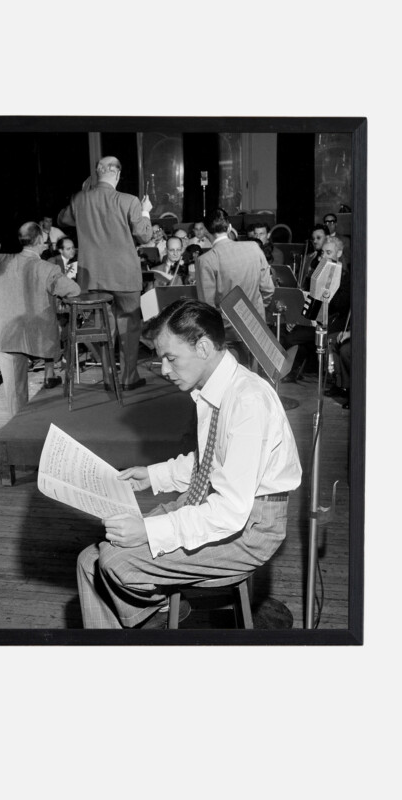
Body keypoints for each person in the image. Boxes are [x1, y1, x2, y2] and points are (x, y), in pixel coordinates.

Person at [76, 299, 302, 629]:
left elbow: (229, 512)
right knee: (89, 561)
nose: (164, 369)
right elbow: (209, 460)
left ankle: (158, 628)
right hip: (210, 502)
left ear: (204, 347)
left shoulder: (248, 401)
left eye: (171, 358)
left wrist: (149, 530)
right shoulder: (214, 388)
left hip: (251, 528)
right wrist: (152, 475)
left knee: (113, 562)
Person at [58, 155, 153, 390]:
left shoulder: (80, 199)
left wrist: (84, 192)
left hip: (93, 277)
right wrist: (146, 211)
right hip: (125, 276)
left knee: (102, 330)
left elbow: (62, 219)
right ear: (118, 174)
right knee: (129, 328)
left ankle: (109, 377)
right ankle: (129, 378)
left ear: (97, 173)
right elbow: (145, 235)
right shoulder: (130, 201)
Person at [0, 221, 80, 416]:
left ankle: (17, 429)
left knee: (14, 394)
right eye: (45, 241)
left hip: (6, 331)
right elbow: (73, 290)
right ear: (37, 240)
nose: (46, 244)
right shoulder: (47, 268)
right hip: (37, 332)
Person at [196, 210, 274, 345]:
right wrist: (257, 309)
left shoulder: (205, 260)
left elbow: (207, 307)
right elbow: (268, 289)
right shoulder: (254, 247)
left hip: (227, 330)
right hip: (257, 325)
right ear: (230, 227)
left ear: (205, 231)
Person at [282, 237, 350, 383]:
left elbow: (341, 306)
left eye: (328, 252)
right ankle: (292, 370)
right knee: (290, 335)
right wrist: (296, 319)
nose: (324, 256)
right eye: (323, 253)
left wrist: (329, 291)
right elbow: (305, 299)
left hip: (333, 321)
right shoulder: (317, 273)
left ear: (339, 253)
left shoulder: (346, 276)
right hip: (314, 320)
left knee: (298, 337)